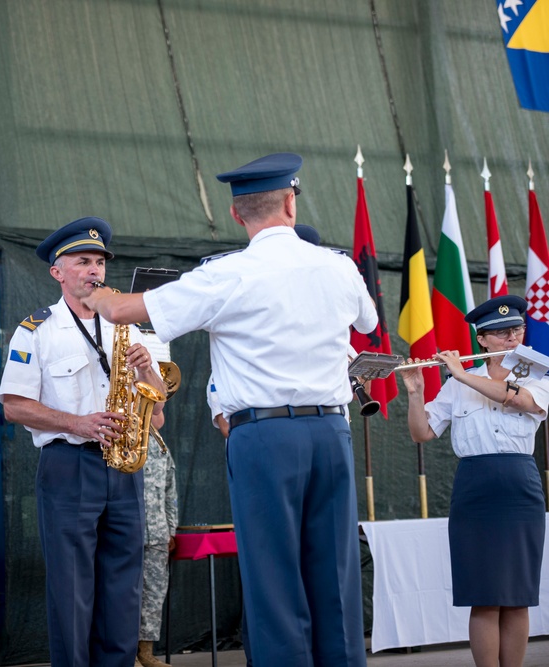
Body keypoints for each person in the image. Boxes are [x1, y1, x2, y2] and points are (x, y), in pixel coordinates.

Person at [83, 154, 378, 667]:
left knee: (273, 576)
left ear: (236, 214)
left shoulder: (226, 275)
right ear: (291, 201)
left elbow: (125, 311)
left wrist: (103, 293)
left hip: (264, 436)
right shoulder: (337, 265)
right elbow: (367, 319)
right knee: (335, 573)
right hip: (331, 429)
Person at [0, 216, 166, 667]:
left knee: (122, 586)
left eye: (99, 262)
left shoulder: (127, 327)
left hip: (124, 467)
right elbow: (13, 405)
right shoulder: (35, 330)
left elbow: (160, 411)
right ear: (58, 272)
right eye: (82, 262)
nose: (94, 271)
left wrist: (148, 369)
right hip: (69, 465)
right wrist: (79, 423)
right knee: (72, 588)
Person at [400, 295, 548, 667]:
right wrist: (416, 393)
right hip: (475, 487)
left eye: (515, 330)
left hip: (519, 486)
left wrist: (461, 374)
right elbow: (422, 433)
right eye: (499, 334)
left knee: (517, 595)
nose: (511, 338)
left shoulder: (537, 374)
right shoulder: (456, 385)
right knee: (483, 595)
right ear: (481, 340)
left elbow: (519, 401)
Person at [136, 426, 177, 667]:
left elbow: (171, 490)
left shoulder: (162, 447)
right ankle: (123, 652)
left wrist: (171, 529)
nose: (157, 417)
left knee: (154, 595)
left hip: (158, 534)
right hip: (127, 534)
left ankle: (146, 653)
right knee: (124, 595)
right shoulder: (125, 440)